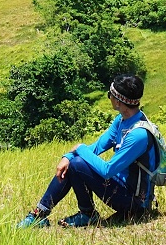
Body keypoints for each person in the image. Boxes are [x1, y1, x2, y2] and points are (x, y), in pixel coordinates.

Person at [16, 73, 158, 228]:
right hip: (121, 187)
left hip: (135, 203)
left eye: (110, 94)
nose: (109, 97)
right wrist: (68, 156)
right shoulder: (122, 120)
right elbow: (97, 148)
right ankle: (40, 214)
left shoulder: (138, 135)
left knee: (78, 163)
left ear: (118, 100)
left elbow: (107, 170)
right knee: (75, 162)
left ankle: (84, 215)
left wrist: (79, 148)